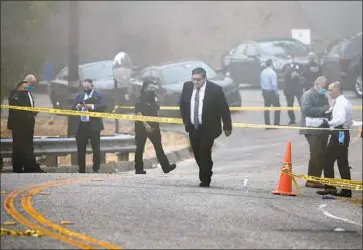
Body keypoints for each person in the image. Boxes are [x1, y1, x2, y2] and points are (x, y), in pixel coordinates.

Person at [179, 67, 232, 187]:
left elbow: (224, 109)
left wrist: (227, 127)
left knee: (205, 151)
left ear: (204, 79)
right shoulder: (187, 87)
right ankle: (204, 171)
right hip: (193, 127)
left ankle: (205, 177)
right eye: (193, 79)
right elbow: (182, 105)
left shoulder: (215, 90)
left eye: (198, 80)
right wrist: (186, 122)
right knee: (197, 151)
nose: (195, 82)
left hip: (209, 128)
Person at [317, 82, 353, 198]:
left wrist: (328, 123)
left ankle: (330, 188)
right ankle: (346, 190)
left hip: (339, 133)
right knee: (342, 162)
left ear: (337, 90)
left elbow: (341, 119)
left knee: (327, 158)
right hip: (343, 133)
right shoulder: (344, 101)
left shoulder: (341, 103)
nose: (329, 92)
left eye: (330, 90)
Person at [134, 80, 176, 174]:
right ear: (145, 88)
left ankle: (166, 167)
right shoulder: (139, 99)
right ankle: (138, 169)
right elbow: (139, 113)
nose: (152, 90)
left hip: (154, 126)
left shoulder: (154, 98)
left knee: (158, 147)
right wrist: (146, 124)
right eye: (150, 88)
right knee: (140, 148)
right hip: (142, 127)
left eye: (153, 88)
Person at [299, 76, 330, 188]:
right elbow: (306, 110)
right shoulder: (308, 95)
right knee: (315, 154)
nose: (325, 90)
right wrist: (323, 109)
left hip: (322, 129)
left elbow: (327, 108)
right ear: (317, 84)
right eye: (324, 88)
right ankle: (311, 180)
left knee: (322, 154)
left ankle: (316, 178)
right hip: (311, 129)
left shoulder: (323, 95)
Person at [7, 80, 44, 173]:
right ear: (19, 87)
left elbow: (28, 107)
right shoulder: (15, 95)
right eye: (25, 88)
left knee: (27, 146)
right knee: (18, 147)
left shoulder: (28, 94)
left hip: (28, 125)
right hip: (18, 126)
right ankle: (19, 167)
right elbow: (17, 108)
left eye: (29, 88)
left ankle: (28, 167)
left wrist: (33, 112)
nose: (27, 89)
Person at [72, 79, 107, 173]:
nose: (86, 88)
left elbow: (104, 106)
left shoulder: (98, 95)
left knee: (96, 148)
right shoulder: (79, 96)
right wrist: (77, 107)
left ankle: (96, 168)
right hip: (81, 126)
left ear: (92, 86)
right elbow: (73, 107)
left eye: (88, 87)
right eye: (84, 87)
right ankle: (81, 169)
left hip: (94, 126)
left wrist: (91, 107)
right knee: (81, 148)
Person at [283, 54, 304, 125]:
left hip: (298, 88)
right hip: (289, 89)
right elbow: (283, 75)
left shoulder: (299, 65)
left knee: (302, 104)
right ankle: (292, 119)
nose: (289, 59)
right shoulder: (285, 66)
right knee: (289, 105)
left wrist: (297, 75)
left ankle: (304, 117)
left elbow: (303, 74)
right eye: (288, 58)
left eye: (290, 58)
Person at [260, 59, 281, 128]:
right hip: (271, 92)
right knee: (277, 107)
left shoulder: (262, 72)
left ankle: (267, 124)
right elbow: (274, 84)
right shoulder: (272, 73)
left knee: (266, 108)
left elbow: (261, 82)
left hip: (264, 91)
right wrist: (276, 92)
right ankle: (276, 123)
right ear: (271, 64)